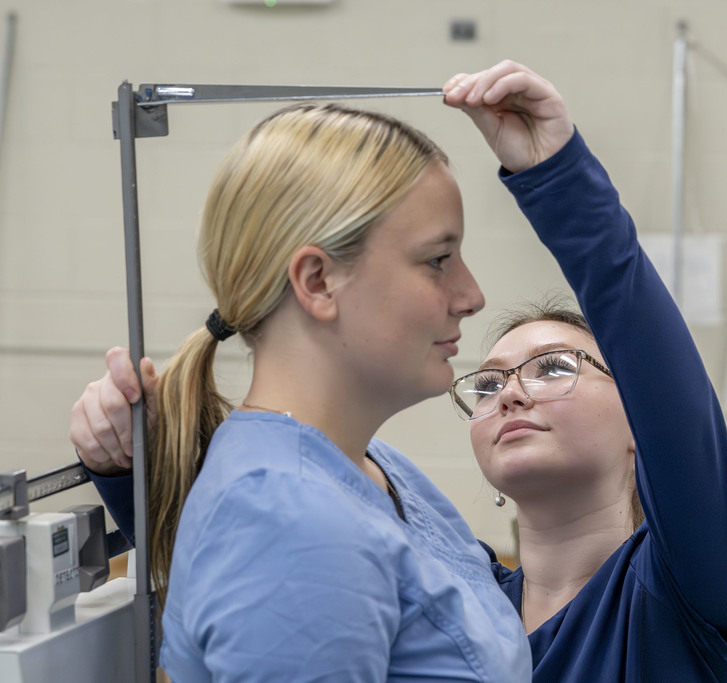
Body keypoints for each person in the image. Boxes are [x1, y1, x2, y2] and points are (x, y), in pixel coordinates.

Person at [73, 61, 727, 682]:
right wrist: (136, 468)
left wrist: (559, 178)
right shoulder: (462, 578)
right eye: (491, 382)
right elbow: (263, 565)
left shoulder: (681, 588)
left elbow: (673, 403)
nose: (512, 392)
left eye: (556, 366)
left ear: (638, 420)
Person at [74, 101, 532, 681]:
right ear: (318, 282)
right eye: (438, 260)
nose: (471, 295)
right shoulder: (288, 520)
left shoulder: (373, 467)